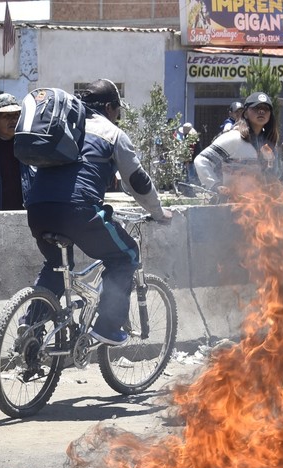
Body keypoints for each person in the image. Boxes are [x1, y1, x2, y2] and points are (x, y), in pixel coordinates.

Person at [24, 79, 173, 346]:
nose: (118, 116)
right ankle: (108, 327)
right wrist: (158, 212)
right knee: (126, 255)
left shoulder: (60, 127)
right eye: (118, 110)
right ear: (108, 107)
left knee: (58, 266)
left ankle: (30, 328)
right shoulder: (111, 133)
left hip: (37, 208)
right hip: (78, 210)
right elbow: (137, 181)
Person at [194, 92, 280, 196]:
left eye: (266, 108)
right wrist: (215, 185)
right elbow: (202, 160)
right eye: (256, 107)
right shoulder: (234, 138)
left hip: (260, 207)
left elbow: (274, 176)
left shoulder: (269, 144)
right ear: (246, 113)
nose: (261, 111)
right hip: (232, 206)